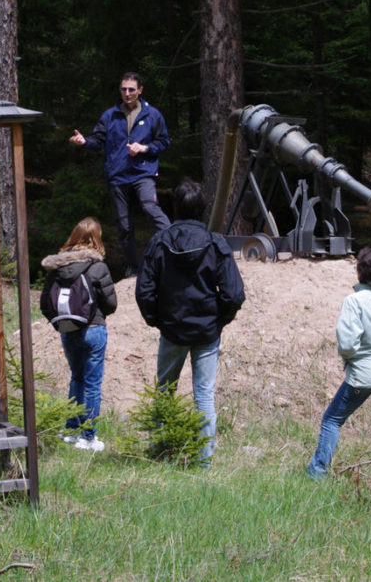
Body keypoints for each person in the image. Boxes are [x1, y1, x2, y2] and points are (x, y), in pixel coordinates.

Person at [134, 179, 245, 465]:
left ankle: (159, 452)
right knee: (204, 397)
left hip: (173, 330)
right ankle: (203, 460)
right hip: (205, 332)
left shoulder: (160, 242)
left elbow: (144, 290)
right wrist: (219, 320)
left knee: (164, 392)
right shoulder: (215, 243)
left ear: (175, 207)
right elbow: (234, 294)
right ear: (202, 209)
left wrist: (157, 320)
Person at [307, 247, 371, 480]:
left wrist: (353, 361)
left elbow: (347, 344)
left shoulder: (354, 301)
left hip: (363, 374)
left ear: (359, 273)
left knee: (332, 420)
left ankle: (317, 473)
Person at [70, 71, 172, 279]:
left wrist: (143, 148)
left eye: (131, 89)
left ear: (140, 90)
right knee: (124, 226)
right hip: (118, 175)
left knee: (150, 207)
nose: (127, 93)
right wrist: (84, 142)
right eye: (123, 89)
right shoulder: (110, 115)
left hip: (143, 171)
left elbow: (163, 142)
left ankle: (174, 247)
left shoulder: (153, 115)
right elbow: (97, 141)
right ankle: (133, 268)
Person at [40, 217, 118, 452]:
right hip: (94, 329)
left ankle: (71, 430)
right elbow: (111, 303)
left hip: (68, 329)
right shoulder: (97, 267)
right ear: (97, 239)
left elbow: (45, 302)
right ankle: (88, 437)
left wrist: (61, 322)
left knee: (77, 378)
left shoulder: (57, 267)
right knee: (93, 383)